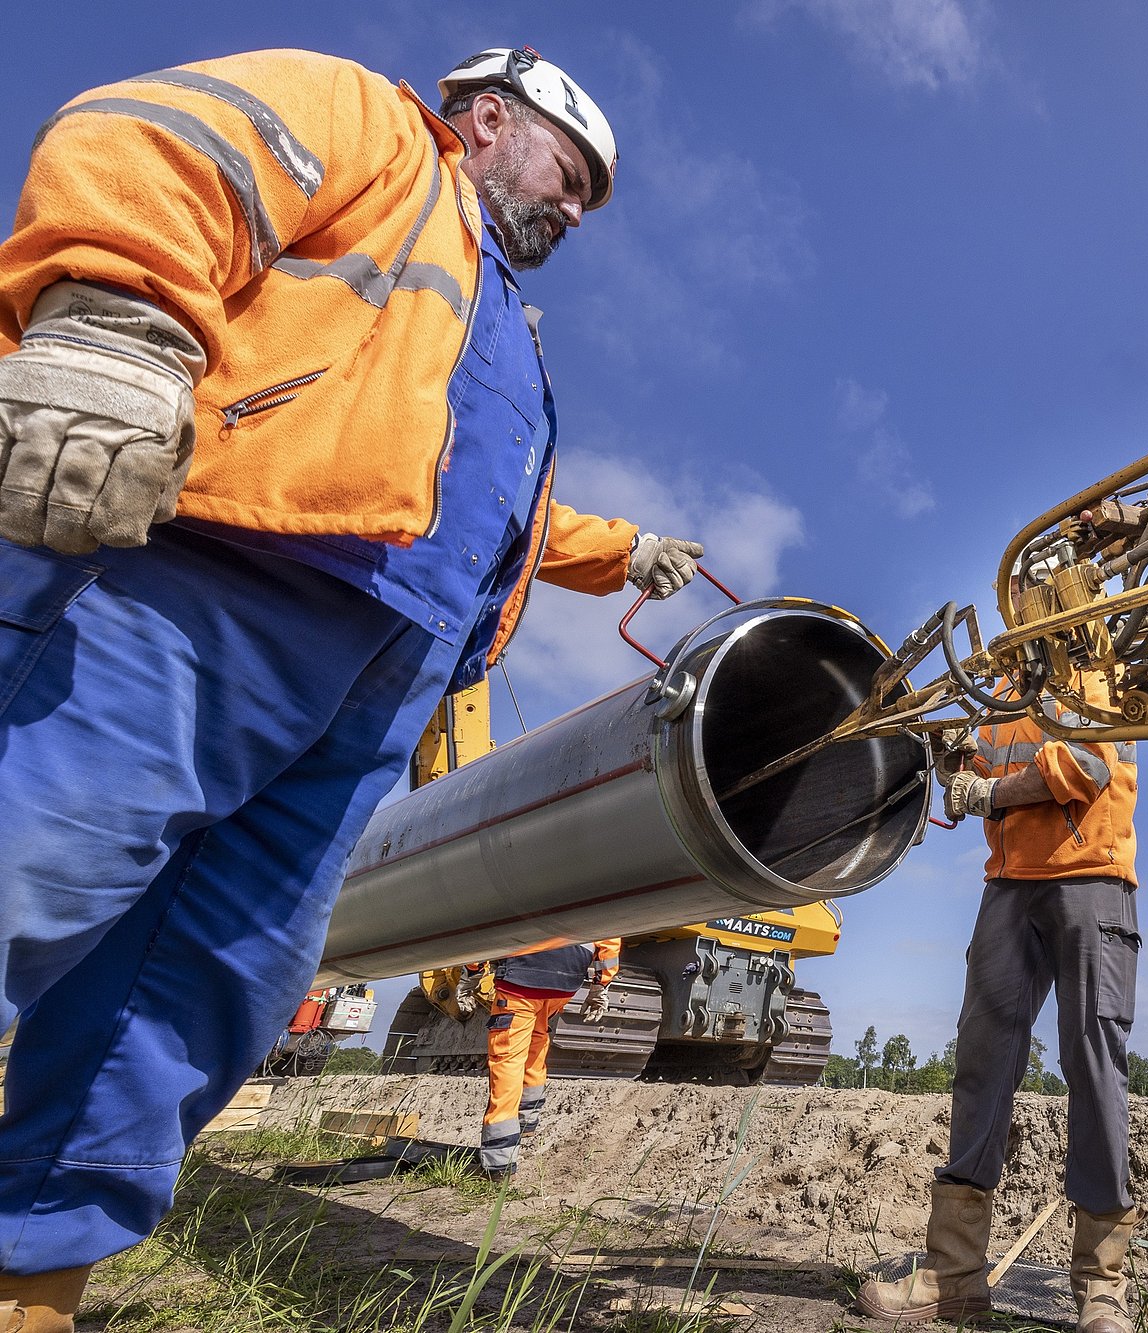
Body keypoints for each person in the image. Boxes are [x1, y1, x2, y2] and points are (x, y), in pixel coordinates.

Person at [0, 46, 705, 1327]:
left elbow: (486, 513)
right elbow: (170, 135)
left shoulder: (496, 324)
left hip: (382, 680)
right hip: (200, 587)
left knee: (196, 990)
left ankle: (29, 1289)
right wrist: (116, 322)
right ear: (488, 119)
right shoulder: (379, 135)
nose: (579, 207)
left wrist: (623, 554)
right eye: (573, 172)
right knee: (22, 874)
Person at [856, 679, 1143, 1333]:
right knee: (982, 1064)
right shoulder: (1005, 692)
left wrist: (986, 793)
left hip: (1090, 876)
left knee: (1092, 1065)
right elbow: (972, 775)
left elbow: (1086, 763)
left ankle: (1103, 1288)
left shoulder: (1096, 662)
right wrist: (945, 749)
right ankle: (954, 1276)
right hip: (1009, 885)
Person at [456, 940, 621, 1180]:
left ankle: (498, 1165)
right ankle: (526, 1124)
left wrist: (472, 973)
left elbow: (492, 927)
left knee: (508, 1059)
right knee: (537, 1038)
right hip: (567, 978)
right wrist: (600, 985)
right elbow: (610, 938)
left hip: (524, 973)